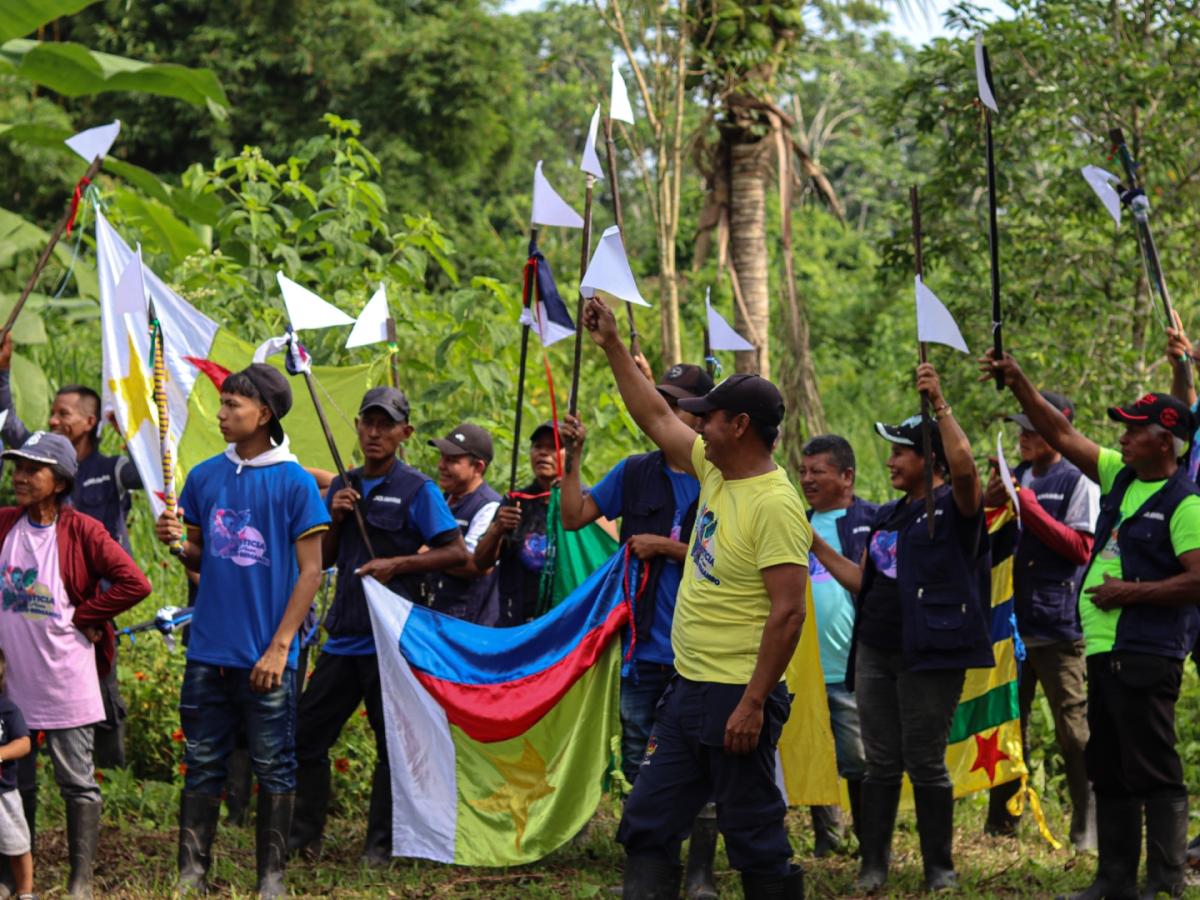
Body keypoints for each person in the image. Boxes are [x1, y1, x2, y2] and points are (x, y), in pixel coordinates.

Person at [582, 296, 809, 899]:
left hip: (737, 695)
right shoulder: (716, 469)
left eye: (709, 416)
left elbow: (788, 614)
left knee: (754, 837)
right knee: (648, 824)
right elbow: (655, 416)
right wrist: (609, 347)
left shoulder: (776, 505)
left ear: (740, 426)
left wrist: (754, 704)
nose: (697, 423)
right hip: (687, 688)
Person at [986, 349, 1200, 900]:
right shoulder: (1120, 478)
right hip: (1101, 650)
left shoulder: (1185, 503)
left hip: (1149, 652)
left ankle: (1165, 882)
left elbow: (1198, 580)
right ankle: (1114, 881)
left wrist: (1132, 592)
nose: (1122, 438)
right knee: (1109, 766)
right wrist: (1020, 384)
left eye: (1135, 430)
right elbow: (1059, 432)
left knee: (1154, 769)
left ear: (1165, 442)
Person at [156, 363, 330, 898]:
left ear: (266, 414)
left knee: (274, 763)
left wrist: (281, 647)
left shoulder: (297, 483)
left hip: (268, 653)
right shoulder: (204, 477)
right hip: (209, 646)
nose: (223, 413)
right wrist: (177, 543)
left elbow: (312, 571)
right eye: (223, 402)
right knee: (202, 760)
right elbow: (207, 559)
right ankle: (191, 874)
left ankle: (271, 879)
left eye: (234, 405)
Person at [817, 366, 993, 893]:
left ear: (930, 459)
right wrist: (814, 544)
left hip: (931, 654)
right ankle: (874, 866)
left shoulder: (954, 511)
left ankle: (940, 868)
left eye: (901, 451)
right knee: (880, 764)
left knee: (925, 761)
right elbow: (863, 581)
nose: (890, 460)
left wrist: (940, 402)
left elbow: (966, 475)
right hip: (875, 652)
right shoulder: (893, 517)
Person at [558, 362, 717, 899]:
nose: (664, 412)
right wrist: (573, 460)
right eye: (660, 401)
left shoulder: (724, 478)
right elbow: (574, 515)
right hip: (643, 648)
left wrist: (667, 548)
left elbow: (736, 562)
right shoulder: (634, 472)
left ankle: (699, 875)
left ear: (700, 417)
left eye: (675, 404)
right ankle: (654, 866)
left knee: (702, 760)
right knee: (639, 761)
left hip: (704, 651)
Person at [289, 387, 466, 864]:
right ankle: (304, 837)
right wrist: (335, 517)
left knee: (393, 746)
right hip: (344, 635)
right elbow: (324, 558)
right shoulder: (341, 484)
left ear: (404, 433)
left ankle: (381, 846)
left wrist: (398, 564)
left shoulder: (417, 489)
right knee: (306, 735)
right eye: (367, 422)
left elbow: (457, 553)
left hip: (391, 639)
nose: (374, 432)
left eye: (385, 425)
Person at [0, 432, 151, 899]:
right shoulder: (6, 524)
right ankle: (12, 875)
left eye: (33, 470)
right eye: (17, 468)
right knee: (13, 782)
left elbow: (135, 582)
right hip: (14, 678)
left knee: (76, 781)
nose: (20, 477)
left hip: (65, 675)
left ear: (61, 481)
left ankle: (80, 879)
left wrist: (86, 616)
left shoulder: (83, 530)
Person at [0, 335, 142, 772]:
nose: (55, 420)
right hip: (31, 614)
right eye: (52, 412)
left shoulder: (110, 467)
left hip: (89, 604)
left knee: (99, 692)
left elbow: (155, 472)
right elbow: (9, 426)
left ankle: (110, 772)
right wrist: (2, 374)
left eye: (64, 413)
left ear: (89, 421)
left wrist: (138, 432)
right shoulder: (36, 456)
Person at [983, 392, 1099, 851]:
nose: (1023, 436)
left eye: (1033, 428)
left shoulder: (1079, 480)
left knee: (1073, 729)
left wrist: (1027, 506)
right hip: (1012, 622)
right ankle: (1002, 822)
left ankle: (1086, 826)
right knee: (1011, 723)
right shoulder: (1019, 475)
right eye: (1020, 429)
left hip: (1058, 624)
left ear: (1057, 429)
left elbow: (1081, 550)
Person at [799, 434, 875, 857]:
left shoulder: (872, 520)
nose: (807, 480)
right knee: (812, 754)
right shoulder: (797, 520)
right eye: (804, 471)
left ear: (847, 476)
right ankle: (827, 840)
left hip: (852, 668)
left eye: (818, 472)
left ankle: (870, 845)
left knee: (858, 761)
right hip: (803, 667)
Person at [474, 421, 564, 626]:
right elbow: (480, 563)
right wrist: (498, 529)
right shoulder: (516, 500)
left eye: (554, 447)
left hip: (563, 624)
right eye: (538, 447)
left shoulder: (582, 503)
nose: (544, 453)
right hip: (516, 623)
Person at [425, 422, 503, 624]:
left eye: (451, 460)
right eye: (442, 457)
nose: (441, 466)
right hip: (436, 614)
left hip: (468, 622)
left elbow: (473, 564)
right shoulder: (444, 499)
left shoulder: (490, 507)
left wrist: (424, 555)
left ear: (478, 467)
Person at [0, 649, 32, 900]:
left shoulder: (7, 710)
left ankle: (25, 891)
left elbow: (24, 743)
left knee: (17, 844)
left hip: (4, 794)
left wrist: (1, 753)